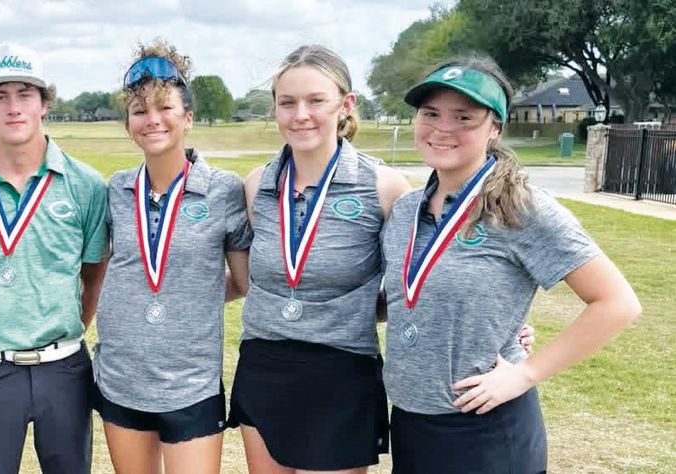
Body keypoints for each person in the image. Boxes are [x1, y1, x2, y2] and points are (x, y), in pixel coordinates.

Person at [381, 56, 641, 473]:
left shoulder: (522, 207)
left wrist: (524, 374)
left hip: (486, 432)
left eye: (464, 117)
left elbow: (617, 303)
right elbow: (404, 298)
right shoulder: (405, 210)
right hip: (411, 424)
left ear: (495, 129)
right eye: (430, 113)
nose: (442, 128)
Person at [227, 45, 412, 474]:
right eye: (287, 103)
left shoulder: (384, 187)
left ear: (346, 105)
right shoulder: (257, 185)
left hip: (341, 372)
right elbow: (250, 276)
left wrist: (508, 333)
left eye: (316, 100)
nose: (301, 115)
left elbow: (421, 282)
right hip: (264, 364)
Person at [0, 42, 108, 474]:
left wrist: (66, 329)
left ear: (44, 103)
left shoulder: (86, 184)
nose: (13, 107)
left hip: (64, 368)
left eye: (25, 94)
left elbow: (93, 273)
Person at [93, 41, 251, 474]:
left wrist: (189, 293)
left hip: (190, 383)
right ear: (128, 124)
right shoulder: (116, 190)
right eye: (139, 110)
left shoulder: (223, 190)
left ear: (188, 118)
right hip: (122, 377)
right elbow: (104, 270)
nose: (152, 119)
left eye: (165, 107)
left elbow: (242, 281)